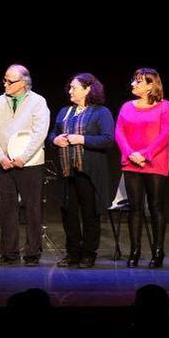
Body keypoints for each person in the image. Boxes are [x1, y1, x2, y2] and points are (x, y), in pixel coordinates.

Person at [48, 73, 114, 268]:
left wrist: (82, 139)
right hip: (67, 171)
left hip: (88, 171)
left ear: (87, 89)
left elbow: (108, 139)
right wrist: (55, 140)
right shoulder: (64, 112)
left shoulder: (101, 112)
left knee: (89, 213)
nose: (70, 91)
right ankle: (72, 252)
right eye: (70, 88)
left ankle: (88, 253)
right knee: (68, 212)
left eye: (74, 87)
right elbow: (53, 132)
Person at [0, 64, 50, 266]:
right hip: (4, 164)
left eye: (10, 81)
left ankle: (32, 253)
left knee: (32, 208)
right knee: (7, 209)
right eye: (4, 80)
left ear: (23, 83)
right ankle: (9, 252)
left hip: (29, 163)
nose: (5, 84)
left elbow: (40, 133)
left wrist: (23, 157)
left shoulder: (38, 102)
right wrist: (0, 157)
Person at [115, 68, 169, 268]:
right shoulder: (126, 107)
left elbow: (165, 135)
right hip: (131, 163)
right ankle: (134, 251)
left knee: (156, 207)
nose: (133, 84)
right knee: (135, 208)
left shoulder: (165, 107)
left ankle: (158, 251)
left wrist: (145, 154)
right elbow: (119, 133)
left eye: (138, 81)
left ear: (151, 85)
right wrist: (131, 154)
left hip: (154, 163)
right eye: (134, 80)